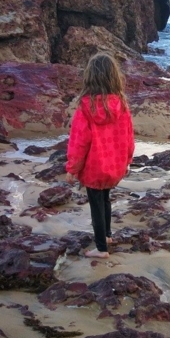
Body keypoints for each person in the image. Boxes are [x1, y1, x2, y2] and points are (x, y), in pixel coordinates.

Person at [65, 53, 135, 259]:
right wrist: (128, 160)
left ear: (90, 78)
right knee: (105, 200)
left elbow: (79, 142)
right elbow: (129, 137)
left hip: (94, 167)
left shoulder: (86, 107)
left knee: (97, 205)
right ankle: (107, 235)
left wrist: (72, 169)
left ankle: (101, 248)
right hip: (115, 165)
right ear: (114, 77)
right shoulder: (121, 104)